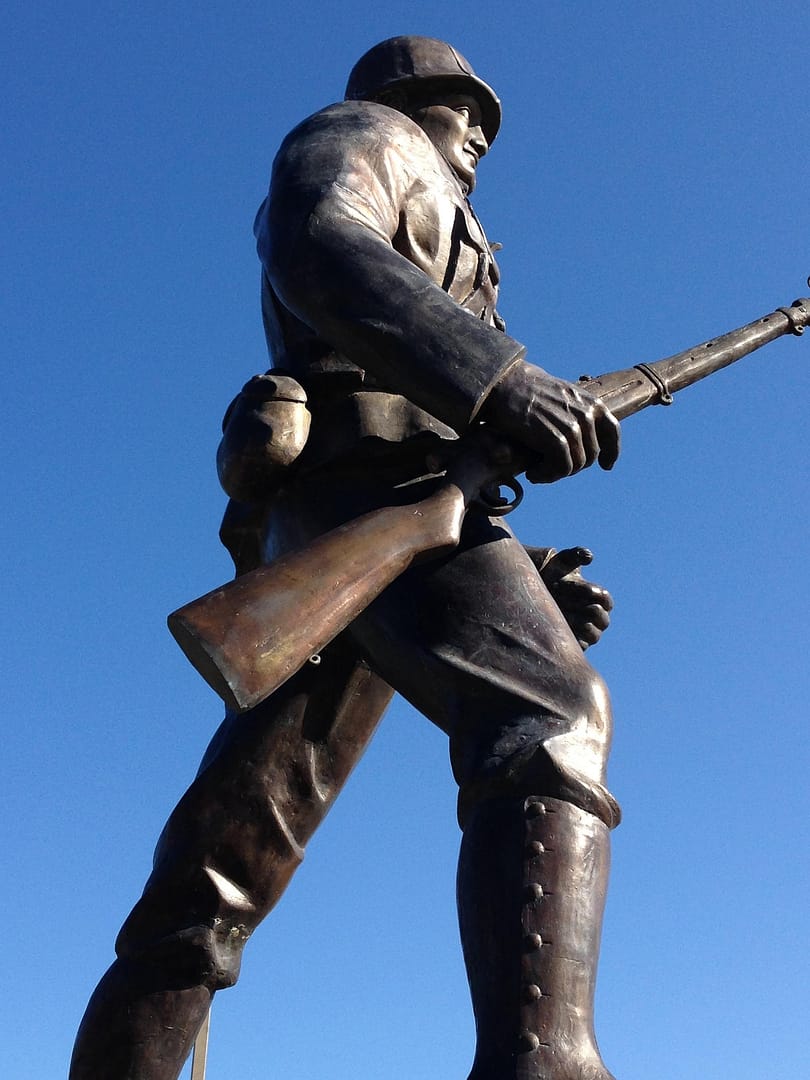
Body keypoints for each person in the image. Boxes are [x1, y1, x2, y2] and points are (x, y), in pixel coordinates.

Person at [71, 36, 621, 1080]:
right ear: (407, 98)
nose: (479, 133)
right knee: (553, 713)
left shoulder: (451, 209)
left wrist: (525, 570)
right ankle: (544, 1062)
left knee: (218, 868)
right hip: (370, 497)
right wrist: (502, 379)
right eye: (461, 108)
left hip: (382, 519)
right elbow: (320, 245)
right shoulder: (367, 135)